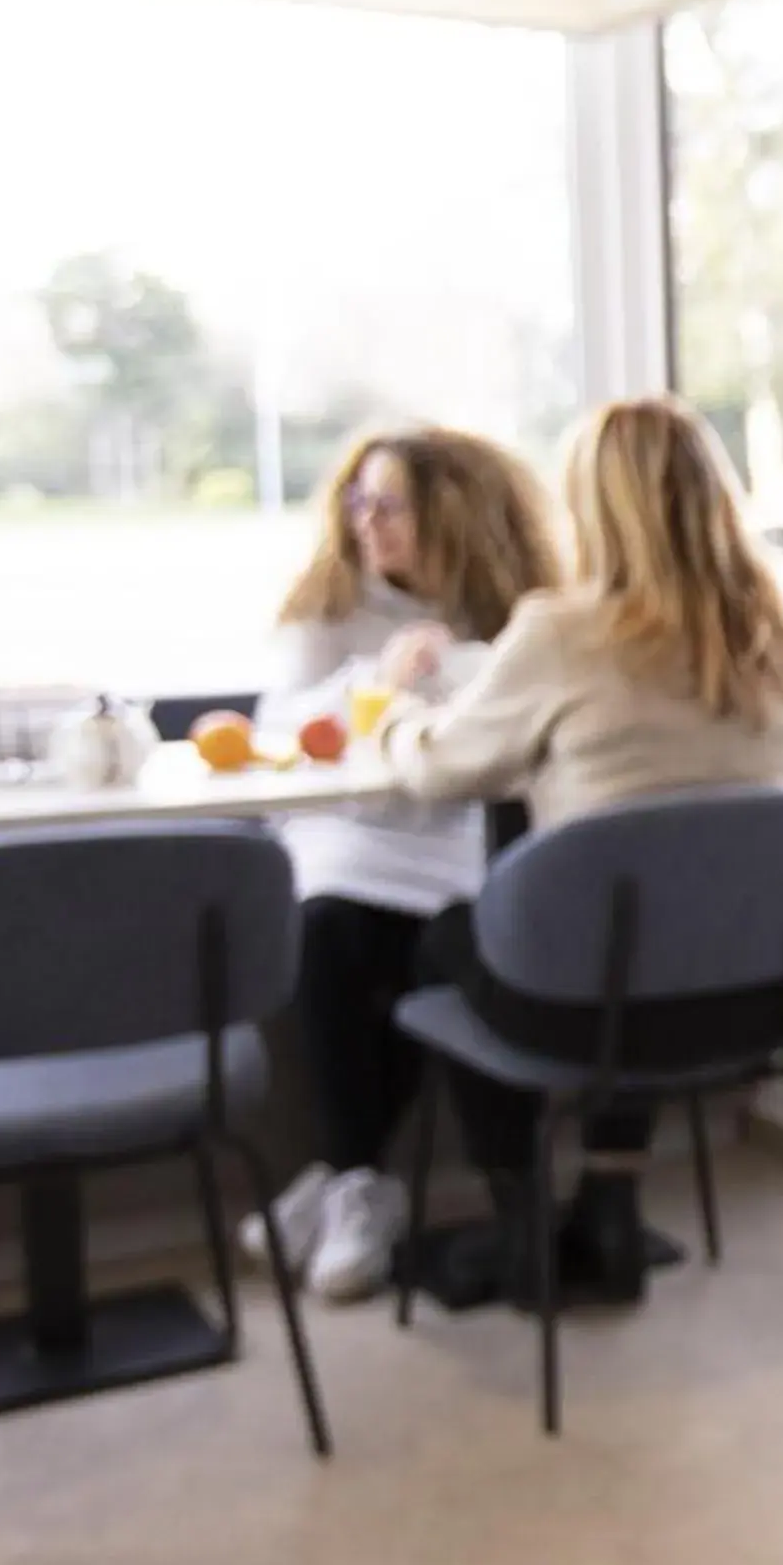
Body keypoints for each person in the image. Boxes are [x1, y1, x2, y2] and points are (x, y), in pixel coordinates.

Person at [379, 394, 783, 1305]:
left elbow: (440, 772)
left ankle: (520, 1219)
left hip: (586, 1007)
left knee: (448, 944)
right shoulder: (777, 635)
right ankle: (611, 1204)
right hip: (750, 1004)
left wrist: (395, 717)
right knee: (639, 932)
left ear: (592, 508)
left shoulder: (562, 631)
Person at [250, 429, 562, 1302]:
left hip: (459, 839)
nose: (367, 522)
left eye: (391, 504)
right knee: (336, 933)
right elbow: (284, 743)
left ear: (449, 516)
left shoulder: (517, 616)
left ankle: (344, 1181)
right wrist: (373, 684)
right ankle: (356, 1180)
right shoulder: (327, 608)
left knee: (439, 950)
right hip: (347, 837)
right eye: (357, 503)